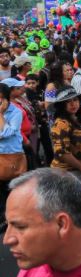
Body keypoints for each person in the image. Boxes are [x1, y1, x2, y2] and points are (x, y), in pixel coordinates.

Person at [49, 86, 81, 185]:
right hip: (65, 173)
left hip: (76, 170)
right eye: (68, 101)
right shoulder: (61, 123)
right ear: (61, 105)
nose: (73, 104)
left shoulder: (76, 119)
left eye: (75, 100)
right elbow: (62, 152)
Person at [0, 82, 24, 221]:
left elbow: (7, 132)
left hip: (12, 155)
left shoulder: (16, 112)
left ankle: (15, 216)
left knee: (13, 188)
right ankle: (4, 218)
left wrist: (0, 115)